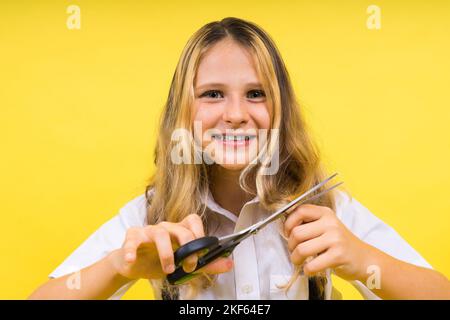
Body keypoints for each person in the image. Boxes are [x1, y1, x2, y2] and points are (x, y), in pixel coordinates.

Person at [29, 17, 450, 300]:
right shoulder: (152, 216)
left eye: (256, 93)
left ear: (280, 111)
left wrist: (362, 259)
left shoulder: (323, 209)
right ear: (184, 111)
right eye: (212, 94)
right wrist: (118, 268)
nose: (234, 114)